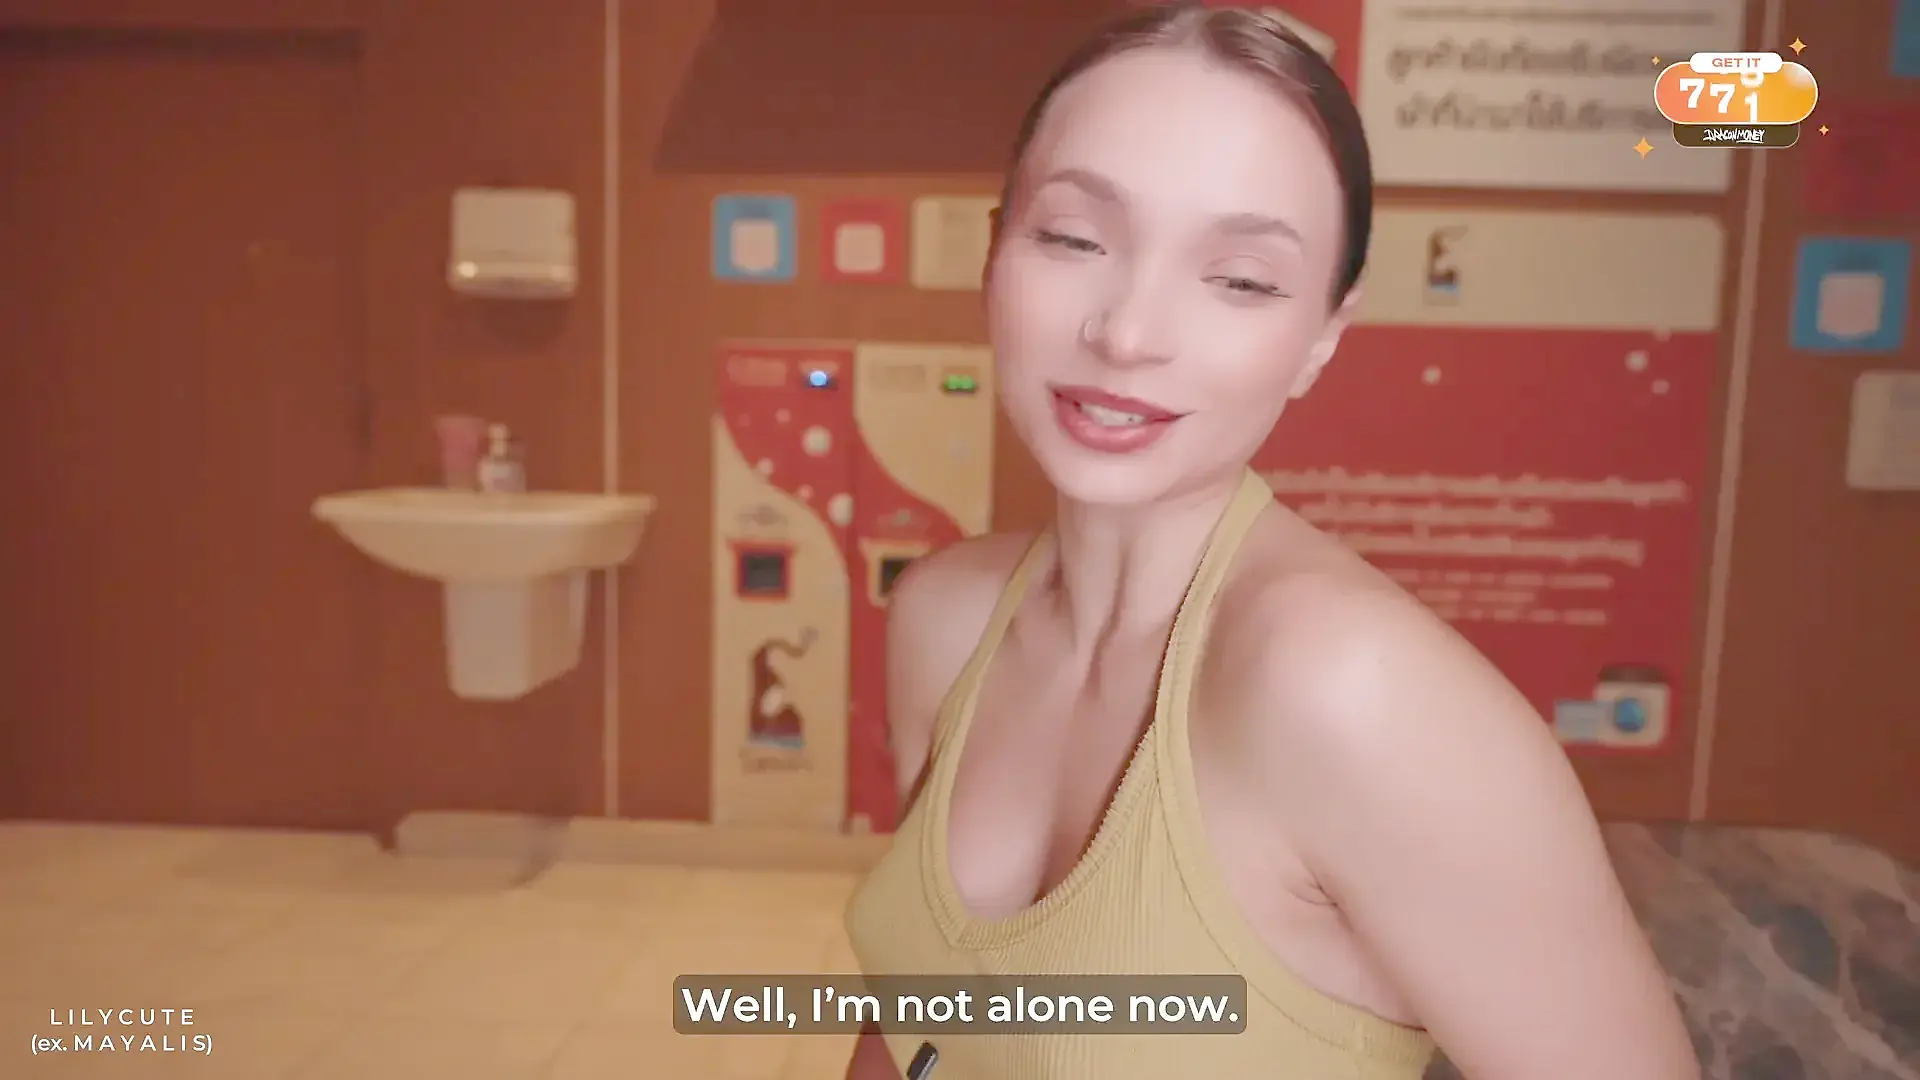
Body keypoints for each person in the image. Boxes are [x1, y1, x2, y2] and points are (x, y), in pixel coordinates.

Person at [842, 4, 1698, 1078]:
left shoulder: (1356, 693)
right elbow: (915, 1029)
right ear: (994, 252)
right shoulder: (945, 617)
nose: (1128, 333)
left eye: (1240, 279)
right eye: (1073, 238)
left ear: (1321, 339)